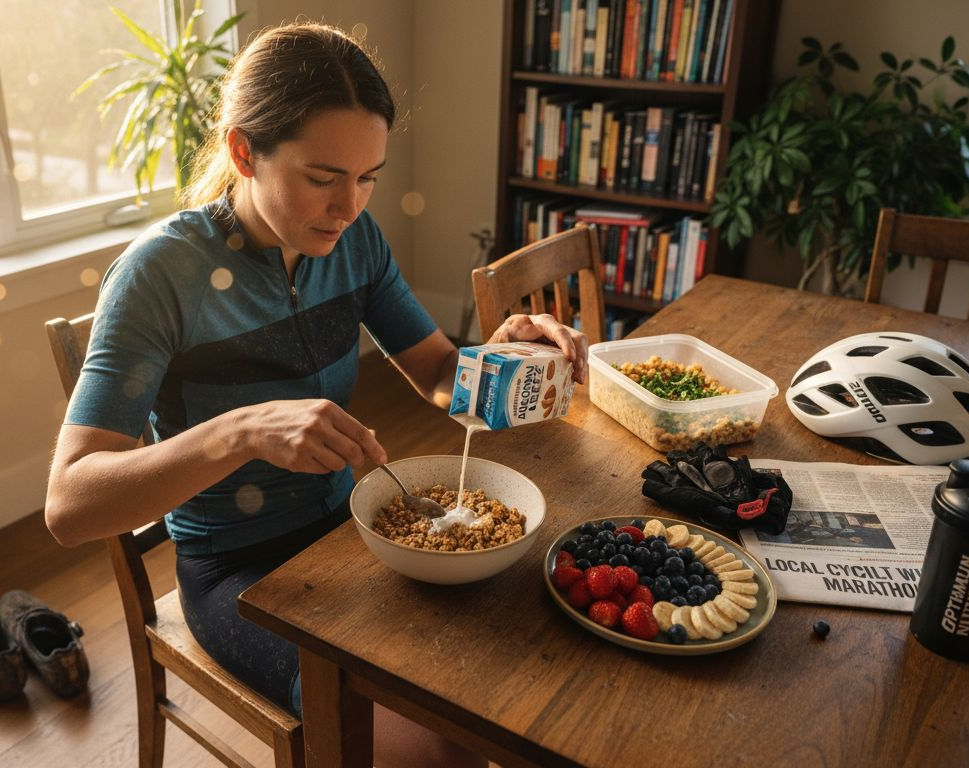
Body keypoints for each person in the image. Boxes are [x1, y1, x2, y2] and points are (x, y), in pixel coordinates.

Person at [44, 21, 588, 767]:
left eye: (369, 177)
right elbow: (70, 506)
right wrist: (239, 432)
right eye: (323, 177)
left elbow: (436, 374)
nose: (350, 206)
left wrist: (503, 360)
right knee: (428, 746)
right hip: (237, 574)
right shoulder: (158, 278)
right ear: (244, 150)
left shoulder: (355, 244)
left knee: (516, 679)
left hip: (349, 537)